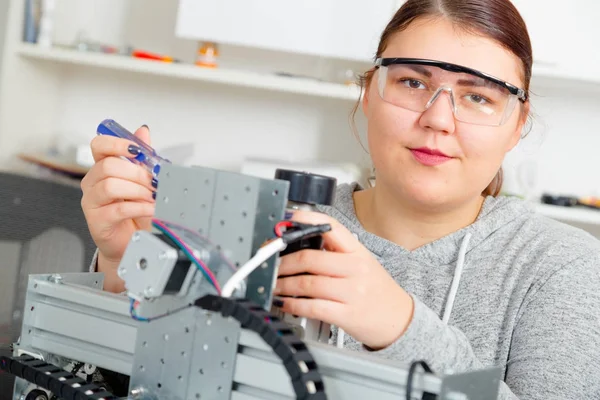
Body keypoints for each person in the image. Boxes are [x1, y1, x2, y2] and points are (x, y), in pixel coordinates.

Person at [81, 0, 600, 398]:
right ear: (368, 93)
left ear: (517, 127)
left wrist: (400, 327)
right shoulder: (275, 231)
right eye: (414, 81)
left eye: (478, 96)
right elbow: (146, 385)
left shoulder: (562, 268)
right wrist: (124, 270)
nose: (438, 119)